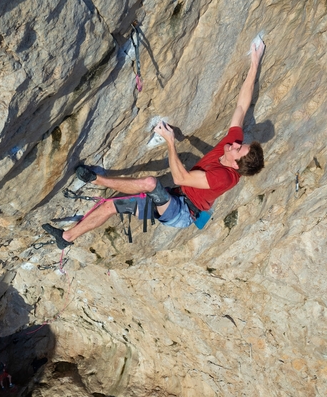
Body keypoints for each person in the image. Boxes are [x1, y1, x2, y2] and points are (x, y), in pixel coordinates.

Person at [43, 42, 265, 249]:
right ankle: (66, 238)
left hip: (182, 213)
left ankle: (95, 178)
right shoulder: (231, 144)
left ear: (235, 165)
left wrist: (170, 142)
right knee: (111, 206)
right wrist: (255, 62)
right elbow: (241, 107)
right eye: (240, 144)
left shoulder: (225, 177)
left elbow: (180, 179)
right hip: (175, 198)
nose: (235, 144)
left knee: (150, 183)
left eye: (238, 149)